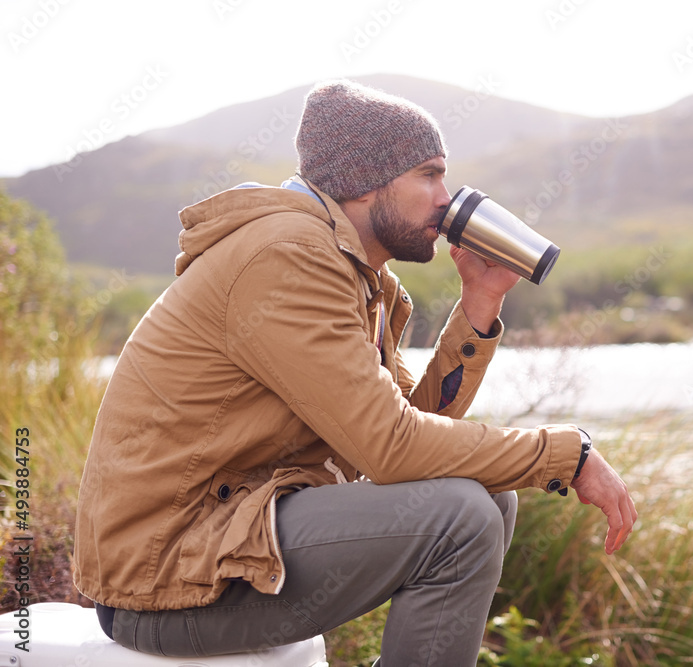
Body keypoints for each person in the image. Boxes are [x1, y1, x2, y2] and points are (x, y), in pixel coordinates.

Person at [72, 80, 637, 665]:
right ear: (366, 181)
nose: (447, 199)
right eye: (429, 174)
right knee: (459, 520)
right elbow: (392, 450)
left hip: (226, 538)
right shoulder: (289, 256)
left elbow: (408, 435)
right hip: (166, 581)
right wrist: (565, 455)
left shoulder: (358, 278)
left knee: (488, 500)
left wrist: (479, 305)